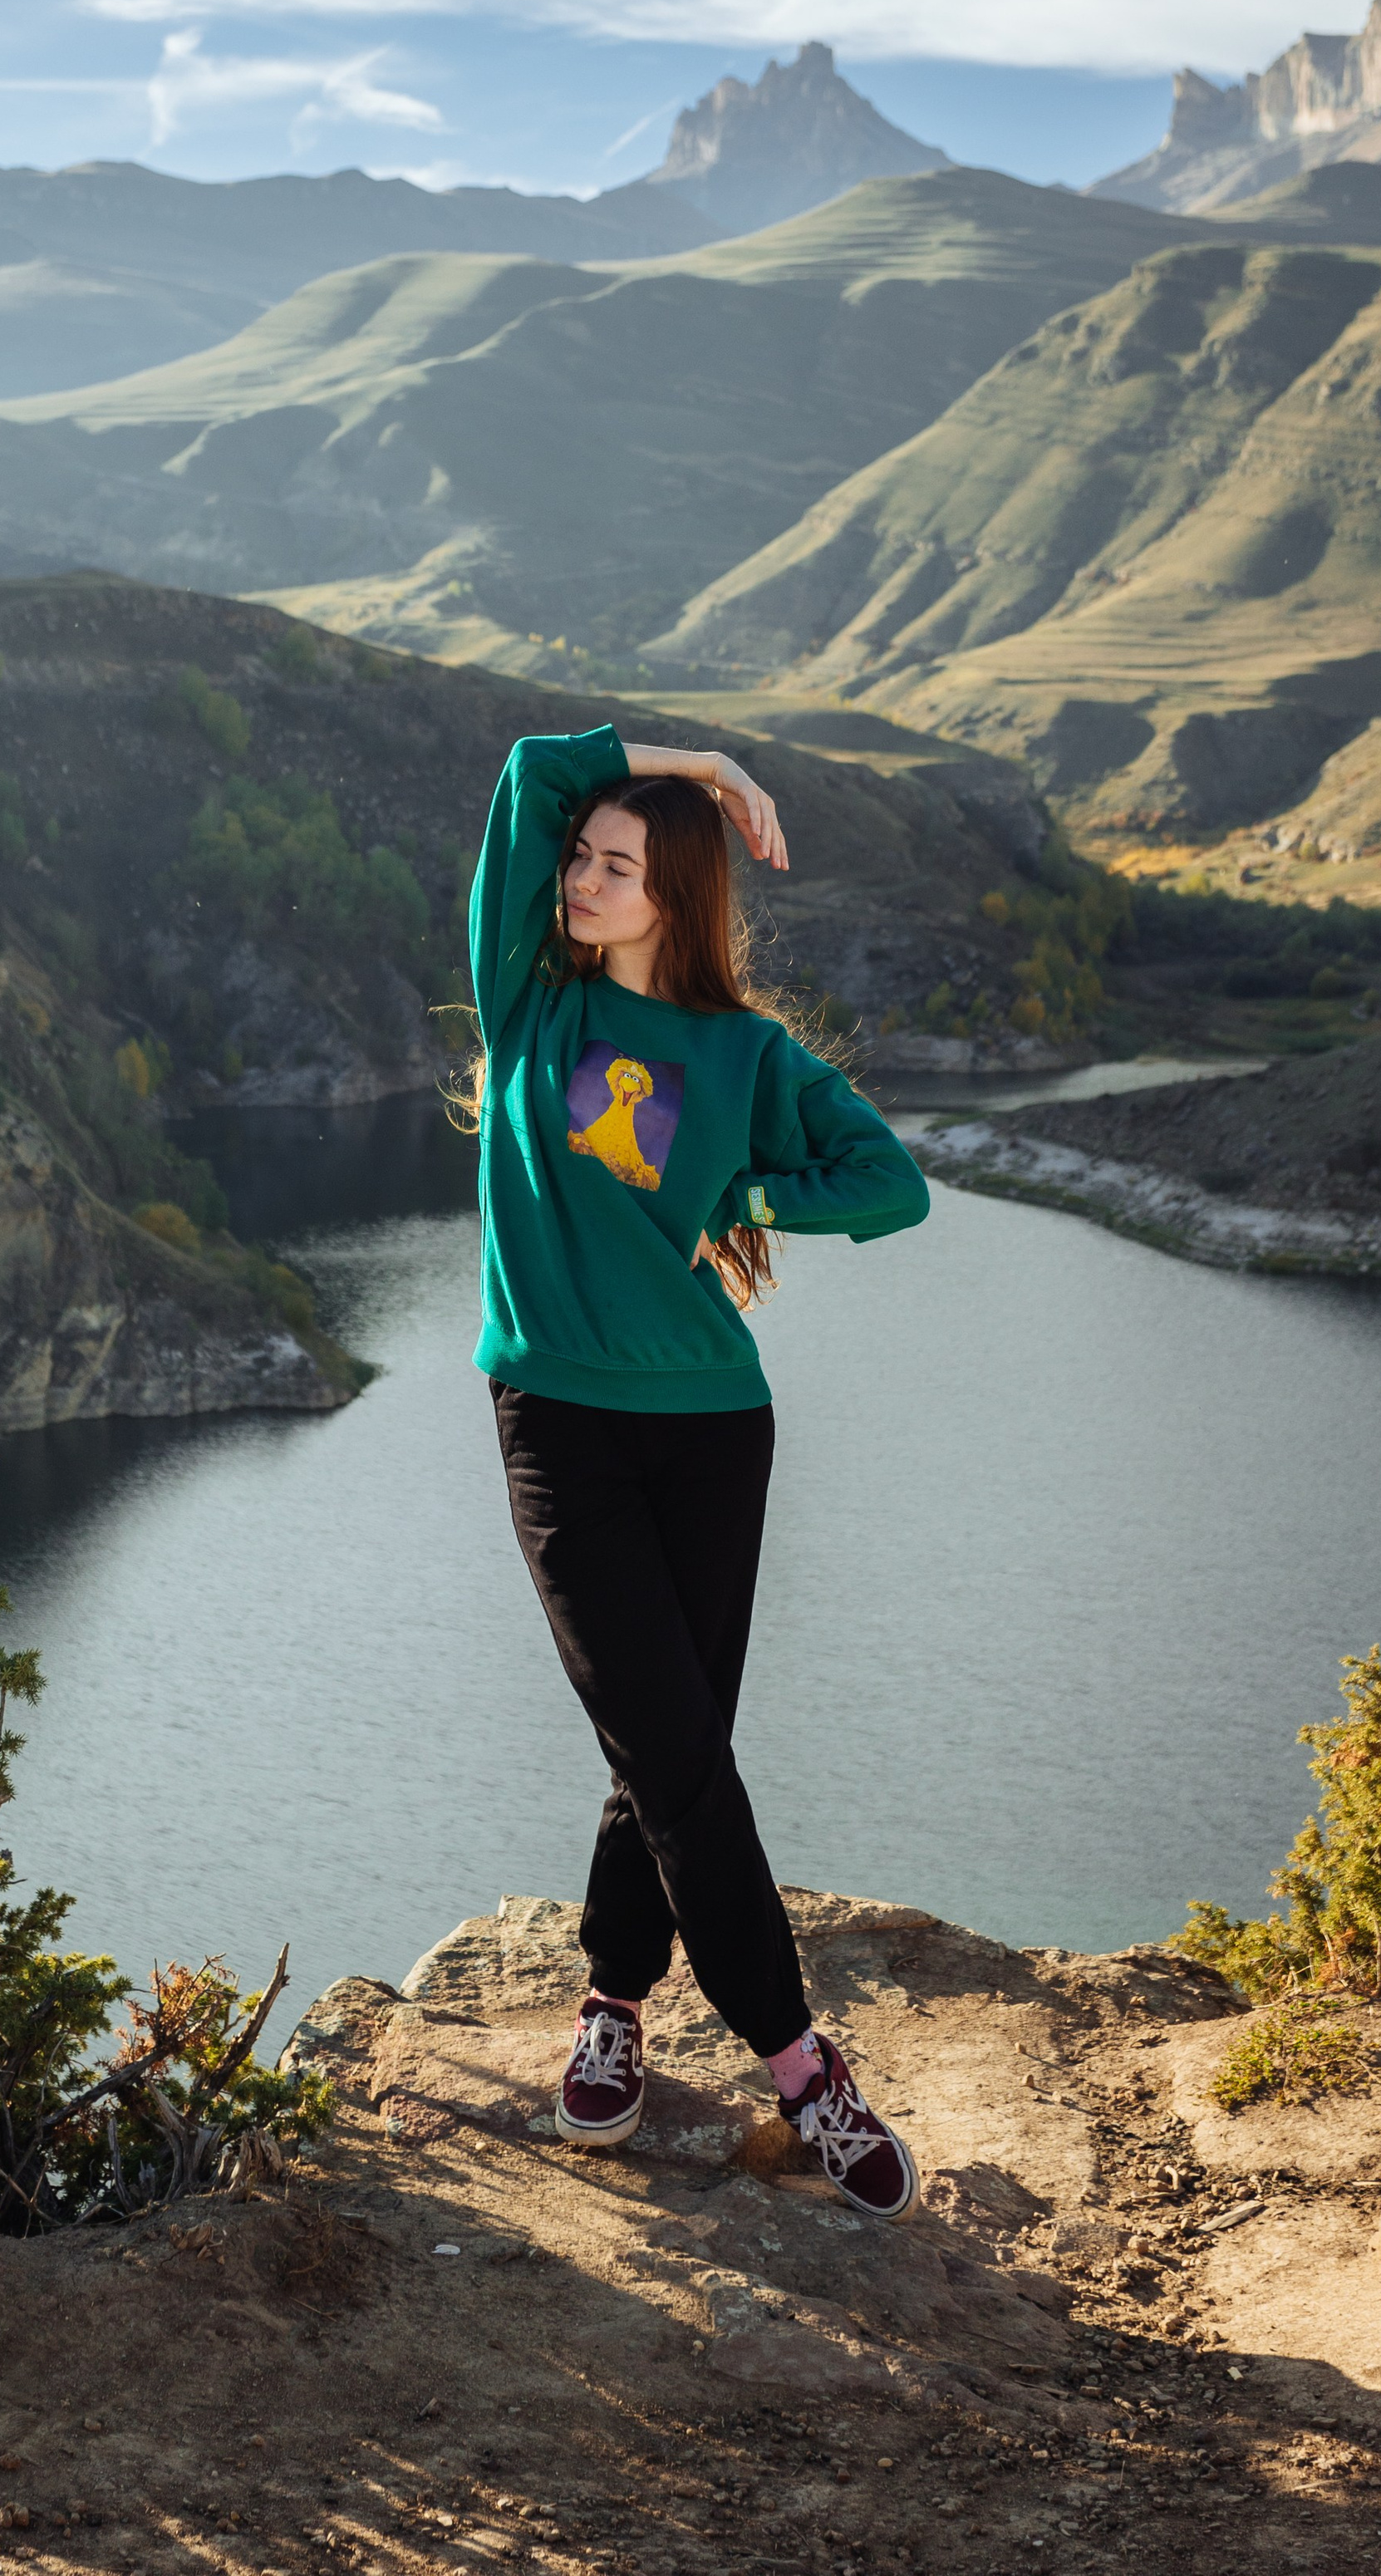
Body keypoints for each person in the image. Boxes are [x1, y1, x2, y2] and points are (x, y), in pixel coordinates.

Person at [466, 723, 931, 2218]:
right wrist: (705, 765)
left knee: (668, 1743)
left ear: (673, 892)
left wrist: (744, 1189)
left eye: (618, 865)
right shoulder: (529, 1003)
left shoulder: (744, 1057)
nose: (582, 880)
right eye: (581, 860)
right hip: (558, 1420)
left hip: (714, 1428)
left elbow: (892, 1184)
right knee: (669, 1743)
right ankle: (802, 2067)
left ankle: (613, 2000)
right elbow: (530, 772)